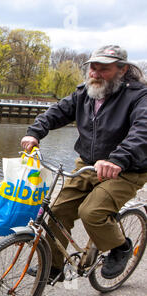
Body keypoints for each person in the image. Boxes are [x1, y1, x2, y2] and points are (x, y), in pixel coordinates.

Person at [21, 45, 147, 280]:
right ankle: (53, 266)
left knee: (91, 212)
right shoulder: (85, 93)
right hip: (88, 165)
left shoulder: (139, 96)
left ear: (123, 70)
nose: (95, 74)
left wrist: (118, 159)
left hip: (126, 170)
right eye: (93, 68)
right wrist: (35, 132)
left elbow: (142, 131)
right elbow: (57, 112)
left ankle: (121, 247)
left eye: (104, 69)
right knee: (57, 211)